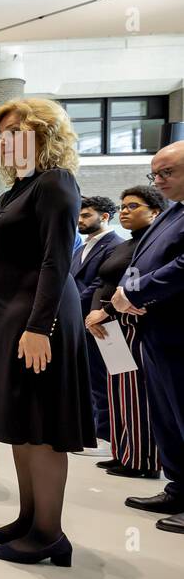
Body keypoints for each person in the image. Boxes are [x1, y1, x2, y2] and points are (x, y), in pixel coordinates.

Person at [0, 98, 94, 566]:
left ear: (44, 134)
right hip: (11, 319)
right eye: (0, 134)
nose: (5, 142)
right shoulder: (17, 190)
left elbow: (55, 258)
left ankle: (49, 533)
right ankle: (29, 519)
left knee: (41, 426)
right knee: (21, 424)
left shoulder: (55, 182)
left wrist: (38, 326)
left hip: (37, 320)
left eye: (16, 131)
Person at [113, 141, 184, 533]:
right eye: (154, 174)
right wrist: (129, 294)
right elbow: (139, 260)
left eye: (167, 173)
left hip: (177, 326)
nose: (158, 180)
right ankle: (178, 485)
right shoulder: (171, 213)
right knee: (167, 413)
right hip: (155, 325)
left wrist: (138, 293)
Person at [85, 186, 164, 480]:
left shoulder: (150, 244)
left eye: (134, 206)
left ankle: (142, 459)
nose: (126, 211)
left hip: (127, 324)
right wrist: (95, 315)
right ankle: (125, 453)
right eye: (124, 206)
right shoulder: (128, 244)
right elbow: (103, 282)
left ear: (155, 211)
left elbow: (134, 288)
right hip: (108, 326)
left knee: (135, 396)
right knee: (118, 392)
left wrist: (104, 312)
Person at [72, 195, 122, 454]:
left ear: (104, 217)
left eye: (86, 215)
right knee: (88, 379)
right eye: (79, 215)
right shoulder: (81, 247)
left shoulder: (116, 245)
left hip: (100, 319)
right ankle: (91, 430)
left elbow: (101, 284)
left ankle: (106, 436)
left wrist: (69, 303)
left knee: (102, 381)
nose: (80, 220)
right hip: (79, 320)